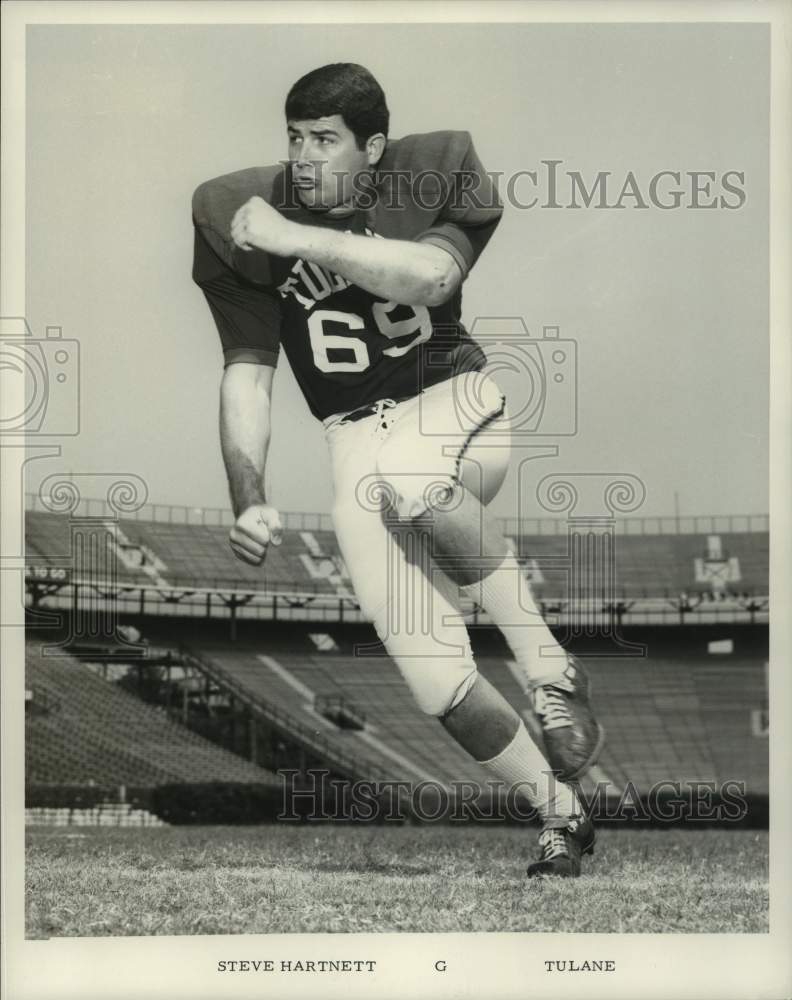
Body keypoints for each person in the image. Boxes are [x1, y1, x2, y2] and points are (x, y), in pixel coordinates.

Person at [192, 63, 603, 877]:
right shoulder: (230, 208)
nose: (304, 157)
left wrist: (299, 238)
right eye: (295, 137)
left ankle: (552, 670)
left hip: (451, 401)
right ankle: (560, 814)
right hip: (351, 440)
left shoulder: (433, 166)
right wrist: (249, 494)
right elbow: (247, 367)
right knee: (435, 681)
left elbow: (432, 275)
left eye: (326, 140)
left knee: (411, 480)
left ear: (373, 148)